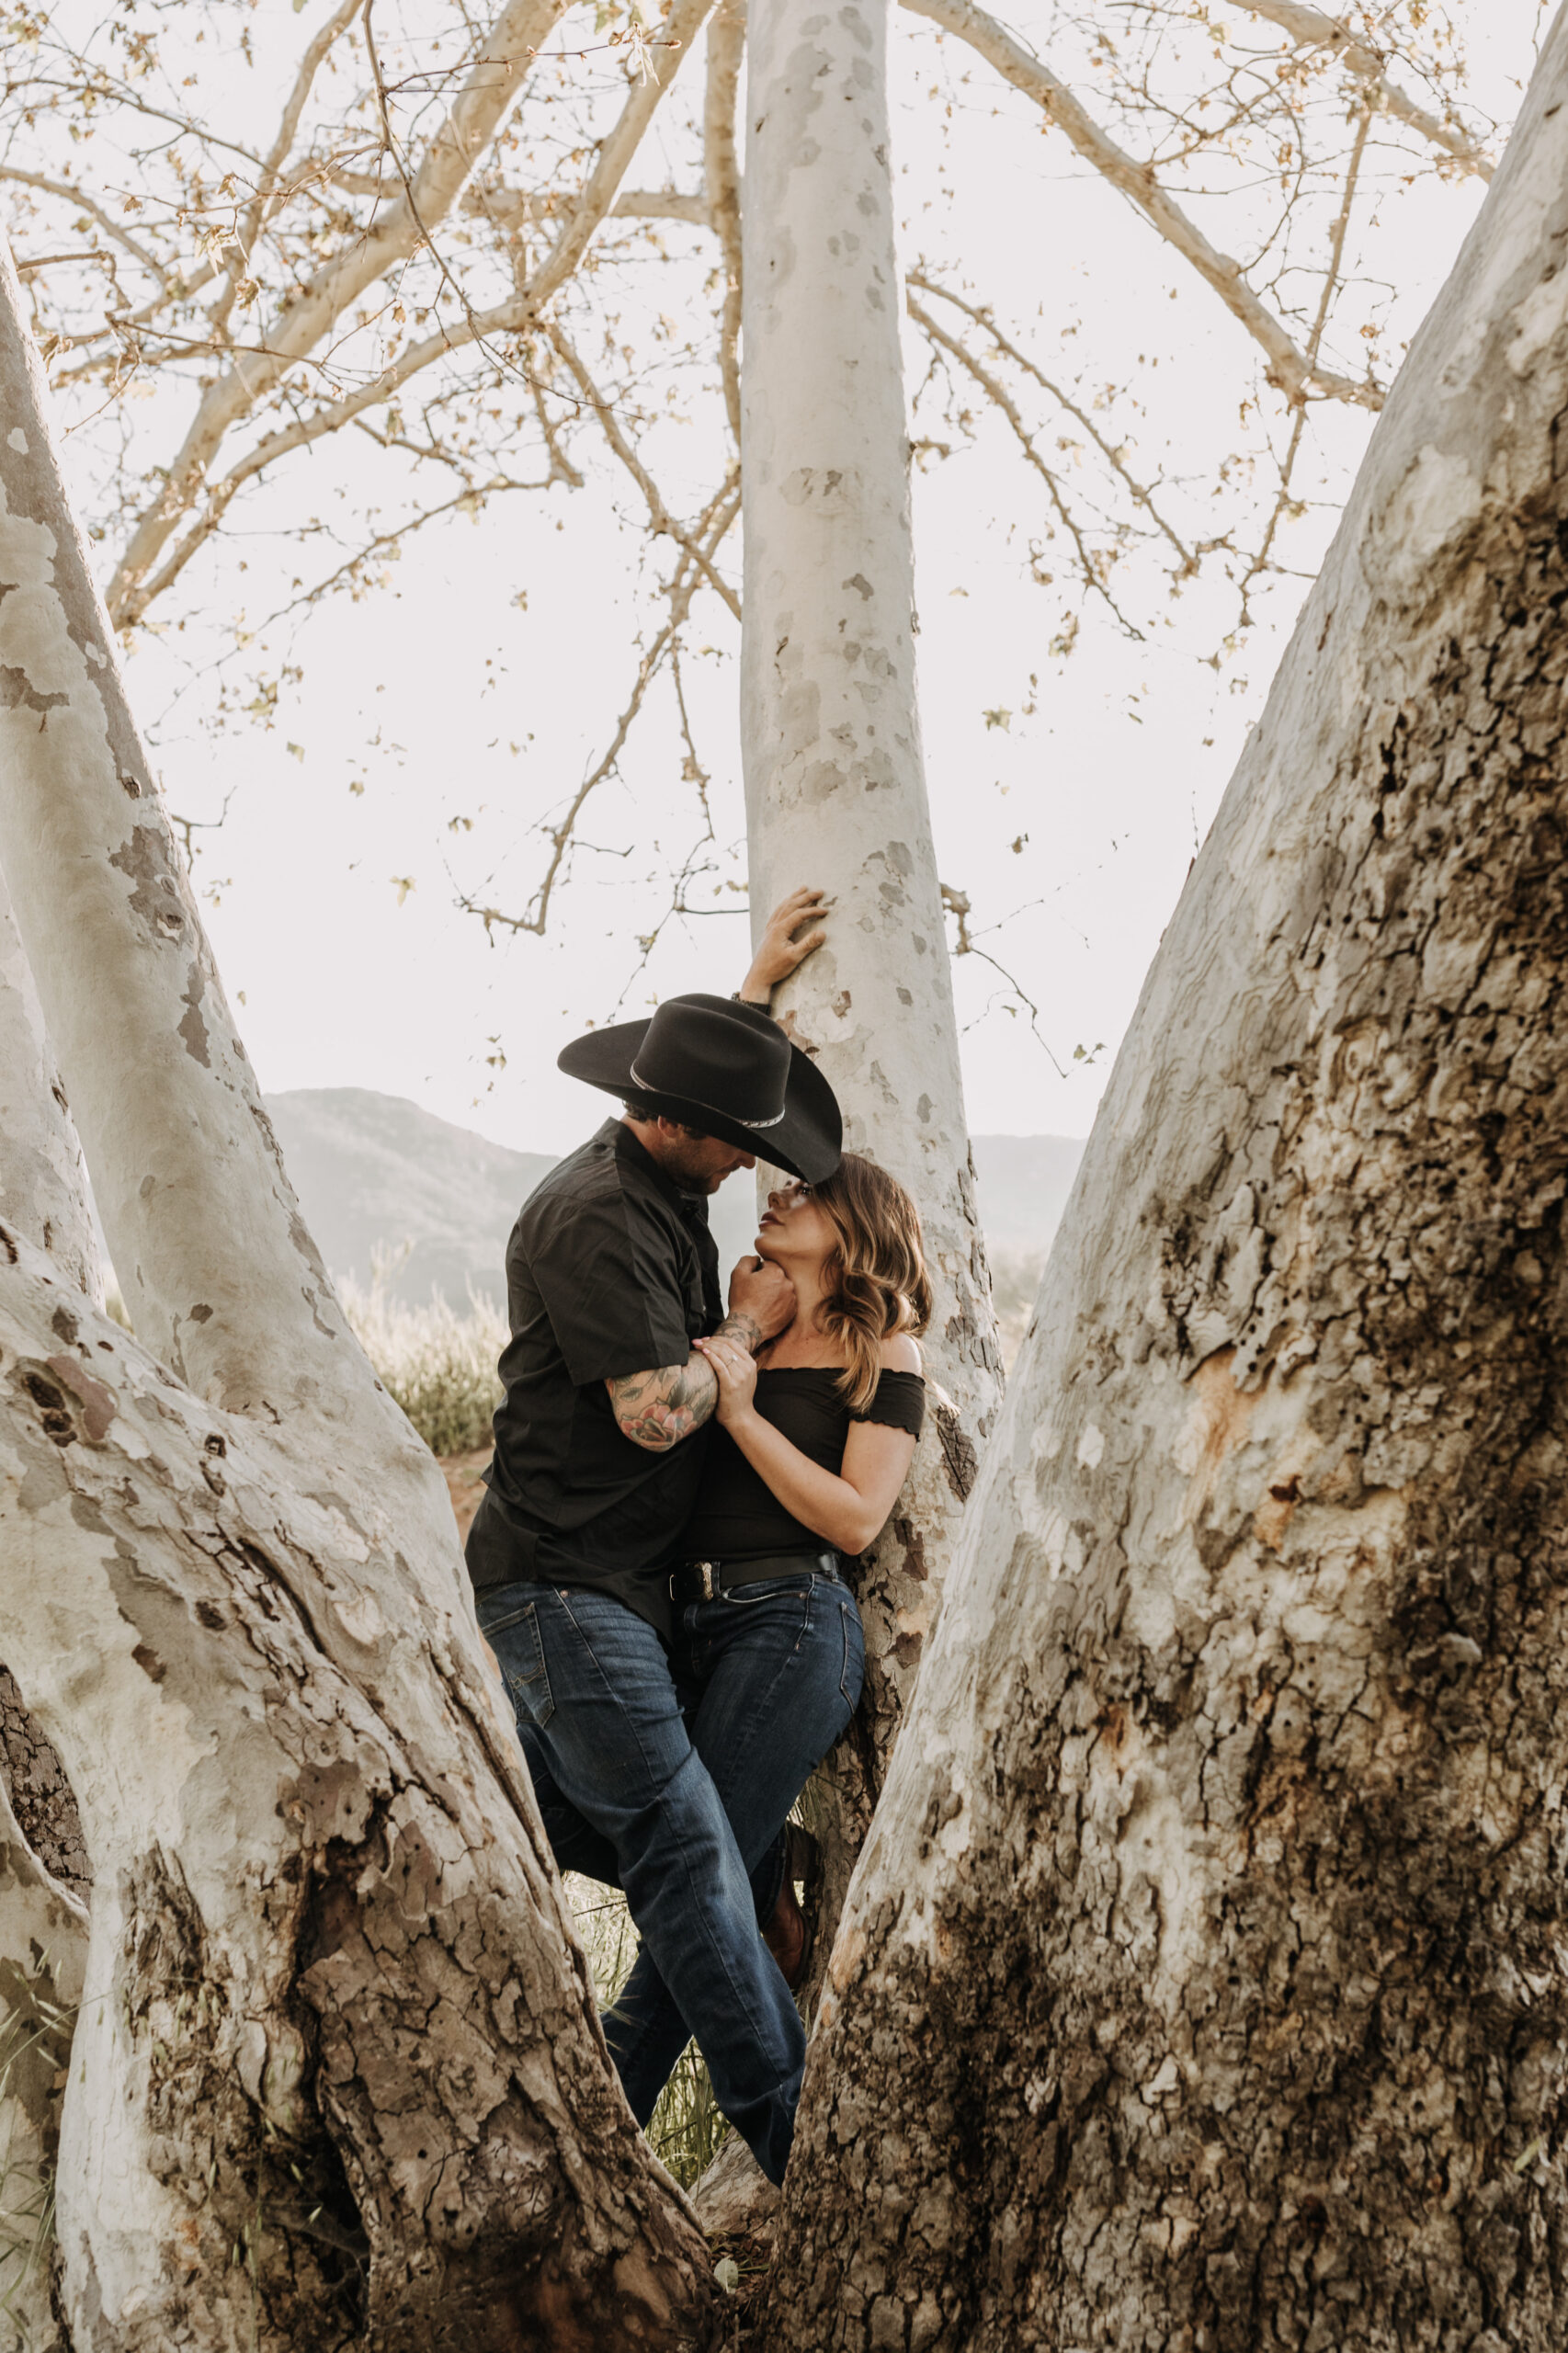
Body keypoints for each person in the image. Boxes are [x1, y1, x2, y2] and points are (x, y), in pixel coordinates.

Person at [466, 890, 841, 2185]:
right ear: (669, 1126)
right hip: (563, 1590)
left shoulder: (663, 1152)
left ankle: (750, 1887)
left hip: (617, 1591)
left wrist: (755, 989)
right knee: (686, 1850)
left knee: (610, 1833)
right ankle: (805, 2155)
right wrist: (748, 1332)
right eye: (731, 1142)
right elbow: (650, 1413)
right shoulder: (596, 1220)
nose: (747, 1164)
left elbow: (706, 1075)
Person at [594, 1148, 930, 2136]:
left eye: (805, 1189)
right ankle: (759, 1859)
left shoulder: (886, 1352)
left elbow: (858, 1517)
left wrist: (738, 1412)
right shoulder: (743, 1323)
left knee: (683, 1889)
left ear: (854, 1221)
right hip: (680, 1631)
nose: (776, 1192)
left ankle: (618, 2103)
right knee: (588, 1809)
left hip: (788, 1626)